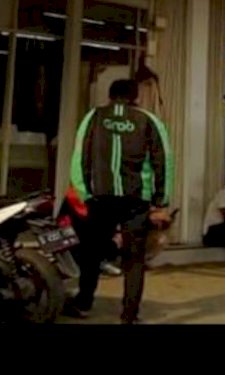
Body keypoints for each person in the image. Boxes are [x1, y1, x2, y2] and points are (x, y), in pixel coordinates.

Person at [67, 78, 174, 324]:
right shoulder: (149, 120)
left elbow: (79, 157)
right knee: (134, 259)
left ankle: (83, 303)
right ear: (136, 96)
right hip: (136, 200)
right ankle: (129, 316)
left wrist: (84, 193)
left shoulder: (93, 117)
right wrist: (161, 200)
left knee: (92, 253)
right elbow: (163, 161)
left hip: (100, 197)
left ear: (110, 95)